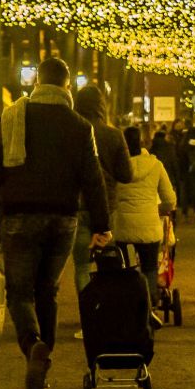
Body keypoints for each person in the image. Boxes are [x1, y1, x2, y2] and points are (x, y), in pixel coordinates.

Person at [0, 56, 111, 389]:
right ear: (66, 87)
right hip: (63, 219)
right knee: (47, 290)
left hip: (18, 217)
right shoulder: (80, 126)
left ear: (36, 84)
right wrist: (101, 224)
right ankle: (43, 360)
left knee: (19, 292)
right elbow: (93, 180)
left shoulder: (14, 117)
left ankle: (33, 345)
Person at [71, 84, 134, 296]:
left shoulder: (73, 132)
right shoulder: (114, 135)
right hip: (107, 206)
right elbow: (126, 174)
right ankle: (107, 312)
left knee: (82, 266)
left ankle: (88, 317)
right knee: (108, 261)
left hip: (77, 205)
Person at [111, 125, 177, 322]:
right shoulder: (155, 165)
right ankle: (150, 307)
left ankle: (127, 306)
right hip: (149, 224)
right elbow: (169, 199)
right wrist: (159, 208)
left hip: (123, 225)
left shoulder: (116, 167)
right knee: (149, 267)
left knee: (125, 268)